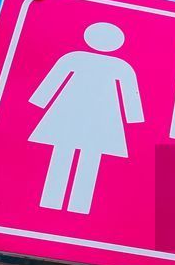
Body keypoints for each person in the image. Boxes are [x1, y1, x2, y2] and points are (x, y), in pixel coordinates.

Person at [28, 21, 143, 214]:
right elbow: (54, 81)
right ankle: (55, 202)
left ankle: (72, 204)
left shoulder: (114, 65)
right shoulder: (79, 59)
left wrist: (134, 118)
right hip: (80, 112)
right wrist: (133, 118)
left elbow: (130, 93)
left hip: (95, 115)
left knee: (82, 155)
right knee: (70, 153)